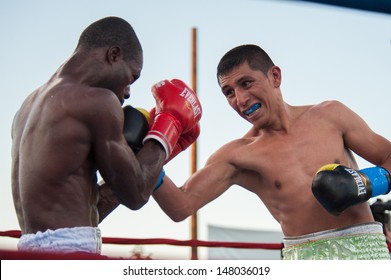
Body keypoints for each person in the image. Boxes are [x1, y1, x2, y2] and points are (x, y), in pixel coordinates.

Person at [152, 44, 391, 260]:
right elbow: (180, 206)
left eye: (246, 83)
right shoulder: (238, 155)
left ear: (275, 76)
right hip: (304, 259)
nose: (241, 99)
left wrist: (368, 182)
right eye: (229, 92)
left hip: (366, 250)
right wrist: (149, 149)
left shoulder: (331, 116)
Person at [11, 16, 201, 255]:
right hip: (71, 255)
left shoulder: (26, 109)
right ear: (114, 55)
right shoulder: (99, 102)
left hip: (29, 251)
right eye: (132, 76)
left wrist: (141, 161)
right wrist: (165, 133)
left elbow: (88, 210)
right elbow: (137, 195)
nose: (129, 92)